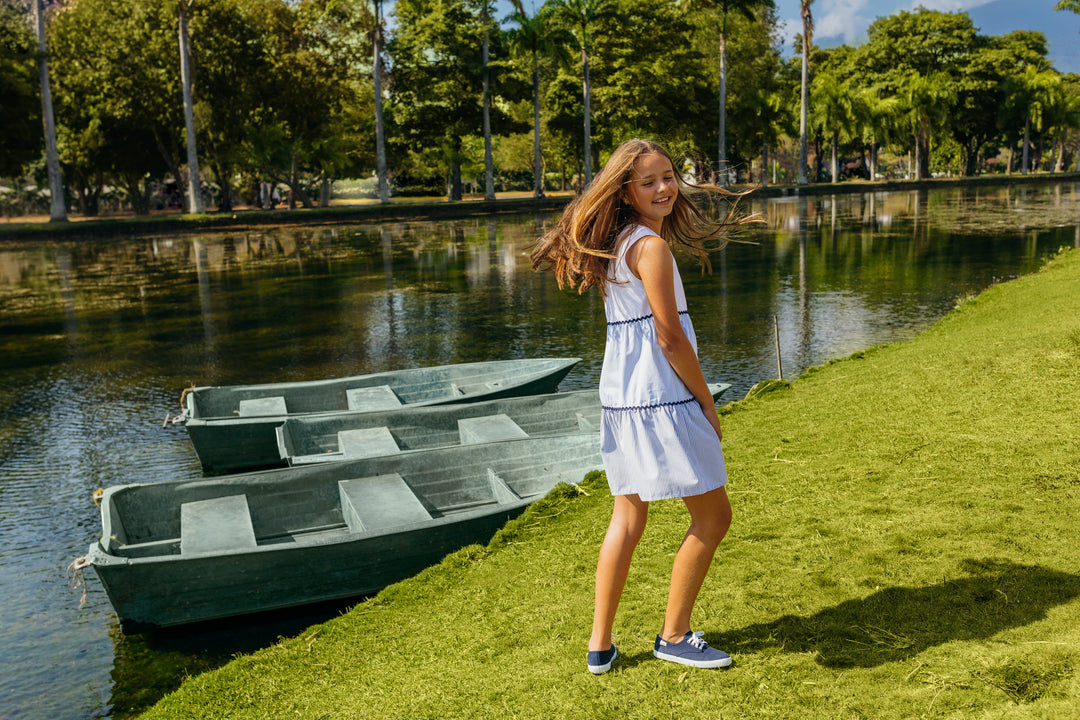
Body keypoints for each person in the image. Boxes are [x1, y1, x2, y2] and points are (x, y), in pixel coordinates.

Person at [531, 138, 756, 674]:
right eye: (649, 181)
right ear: (626, 192)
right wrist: (707, 402)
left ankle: (600, 646)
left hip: (623, 401)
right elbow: (670, 338)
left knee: (628, 520)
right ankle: (673, 635)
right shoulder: (650, 248)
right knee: (713, 516)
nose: (664, 188)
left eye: (669, 176)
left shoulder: (619, 243)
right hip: (661, 399)